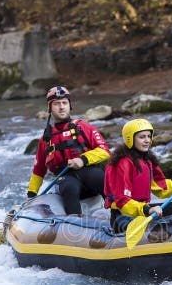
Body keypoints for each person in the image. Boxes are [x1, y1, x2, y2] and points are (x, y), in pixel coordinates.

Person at [26, 86, 110, 215]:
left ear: (69, 105)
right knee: (70, 187)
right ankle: (75, 223)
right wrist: (31, 196)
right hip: (65, 178)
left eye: (64, 103)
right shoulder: (45, 140)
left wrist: (83, 160)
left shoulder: (84, 127)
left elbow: (104, 151)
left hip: (88, 171)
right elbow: (38, 171)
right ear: (50, 108)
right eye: (56, 104)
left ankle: (119, 216)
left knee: (100, 177)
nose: (61, 107)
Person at [104, 118, 172, 232]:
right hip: (123, 216)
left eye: (149, 136)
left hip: (142, 211)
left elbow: (160, 187)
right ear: (130, 139)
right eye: (142, 137)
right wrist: (148, 210)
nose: (147, 140)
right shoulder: (123, 163)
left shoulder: (146, 160)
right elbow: (122, 201)